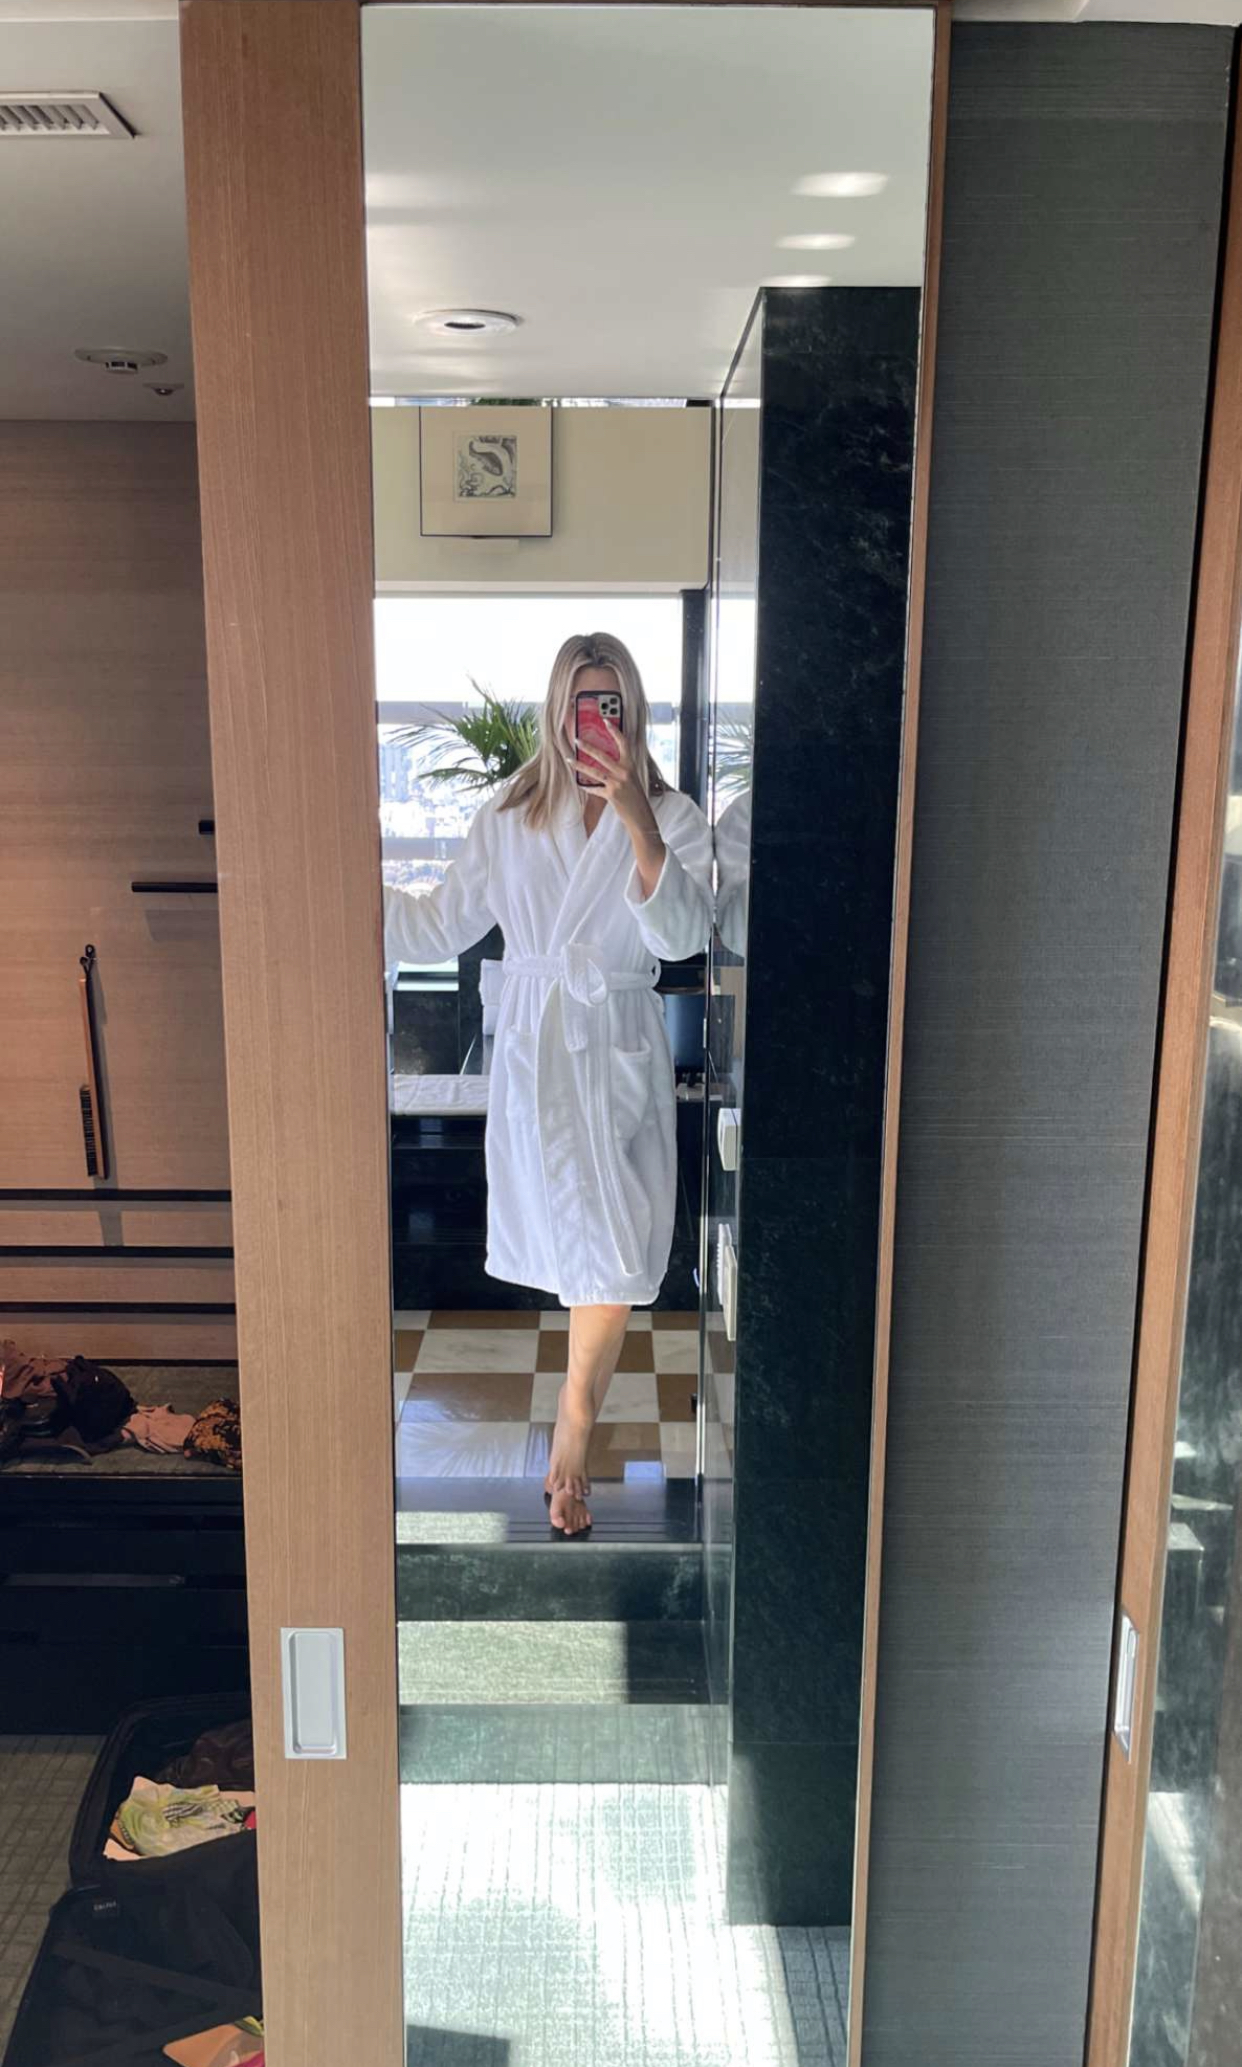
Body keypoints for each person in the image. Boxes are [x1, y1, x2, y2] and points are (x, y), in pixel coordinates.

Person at [384, 633, 713, 1536]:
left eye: (610, 704)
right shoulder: (510, 813)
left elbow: (682, 939)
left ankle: (572, 1422)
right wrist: (342, 886)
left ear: (631, 711)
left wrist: (640, 823)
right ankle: (574, 1427)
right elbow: (438, 926)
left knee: (616, 1246)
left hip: (617, 1039)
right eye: (580, 704)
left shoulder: (671, 813)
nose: (592, 723)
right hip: (539, 1052)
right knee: (587, 1248)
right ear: (556, 712)